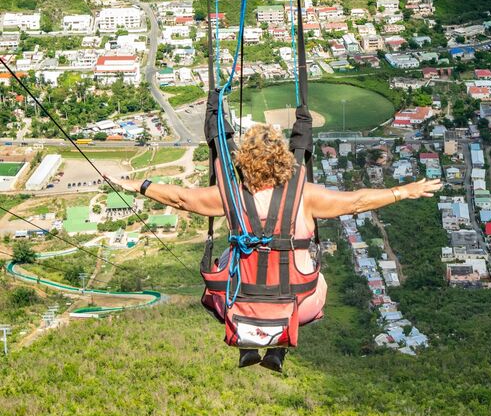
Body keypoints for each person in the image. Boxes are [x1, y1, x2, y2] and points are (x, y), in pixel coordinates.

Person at [106, 124, 442, 372]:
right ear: (282, 160)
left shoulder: (232, 196)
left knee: (232, 258)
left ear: (244, 161)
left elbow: (180, 197)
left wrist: (139, 184)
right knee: (314, 276)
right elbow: (356, 202)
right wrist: (405, 191)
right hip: (299, 306)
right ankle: (278, 347)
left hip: (234, 305)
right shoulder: (304, 197)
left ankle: (248, 339)